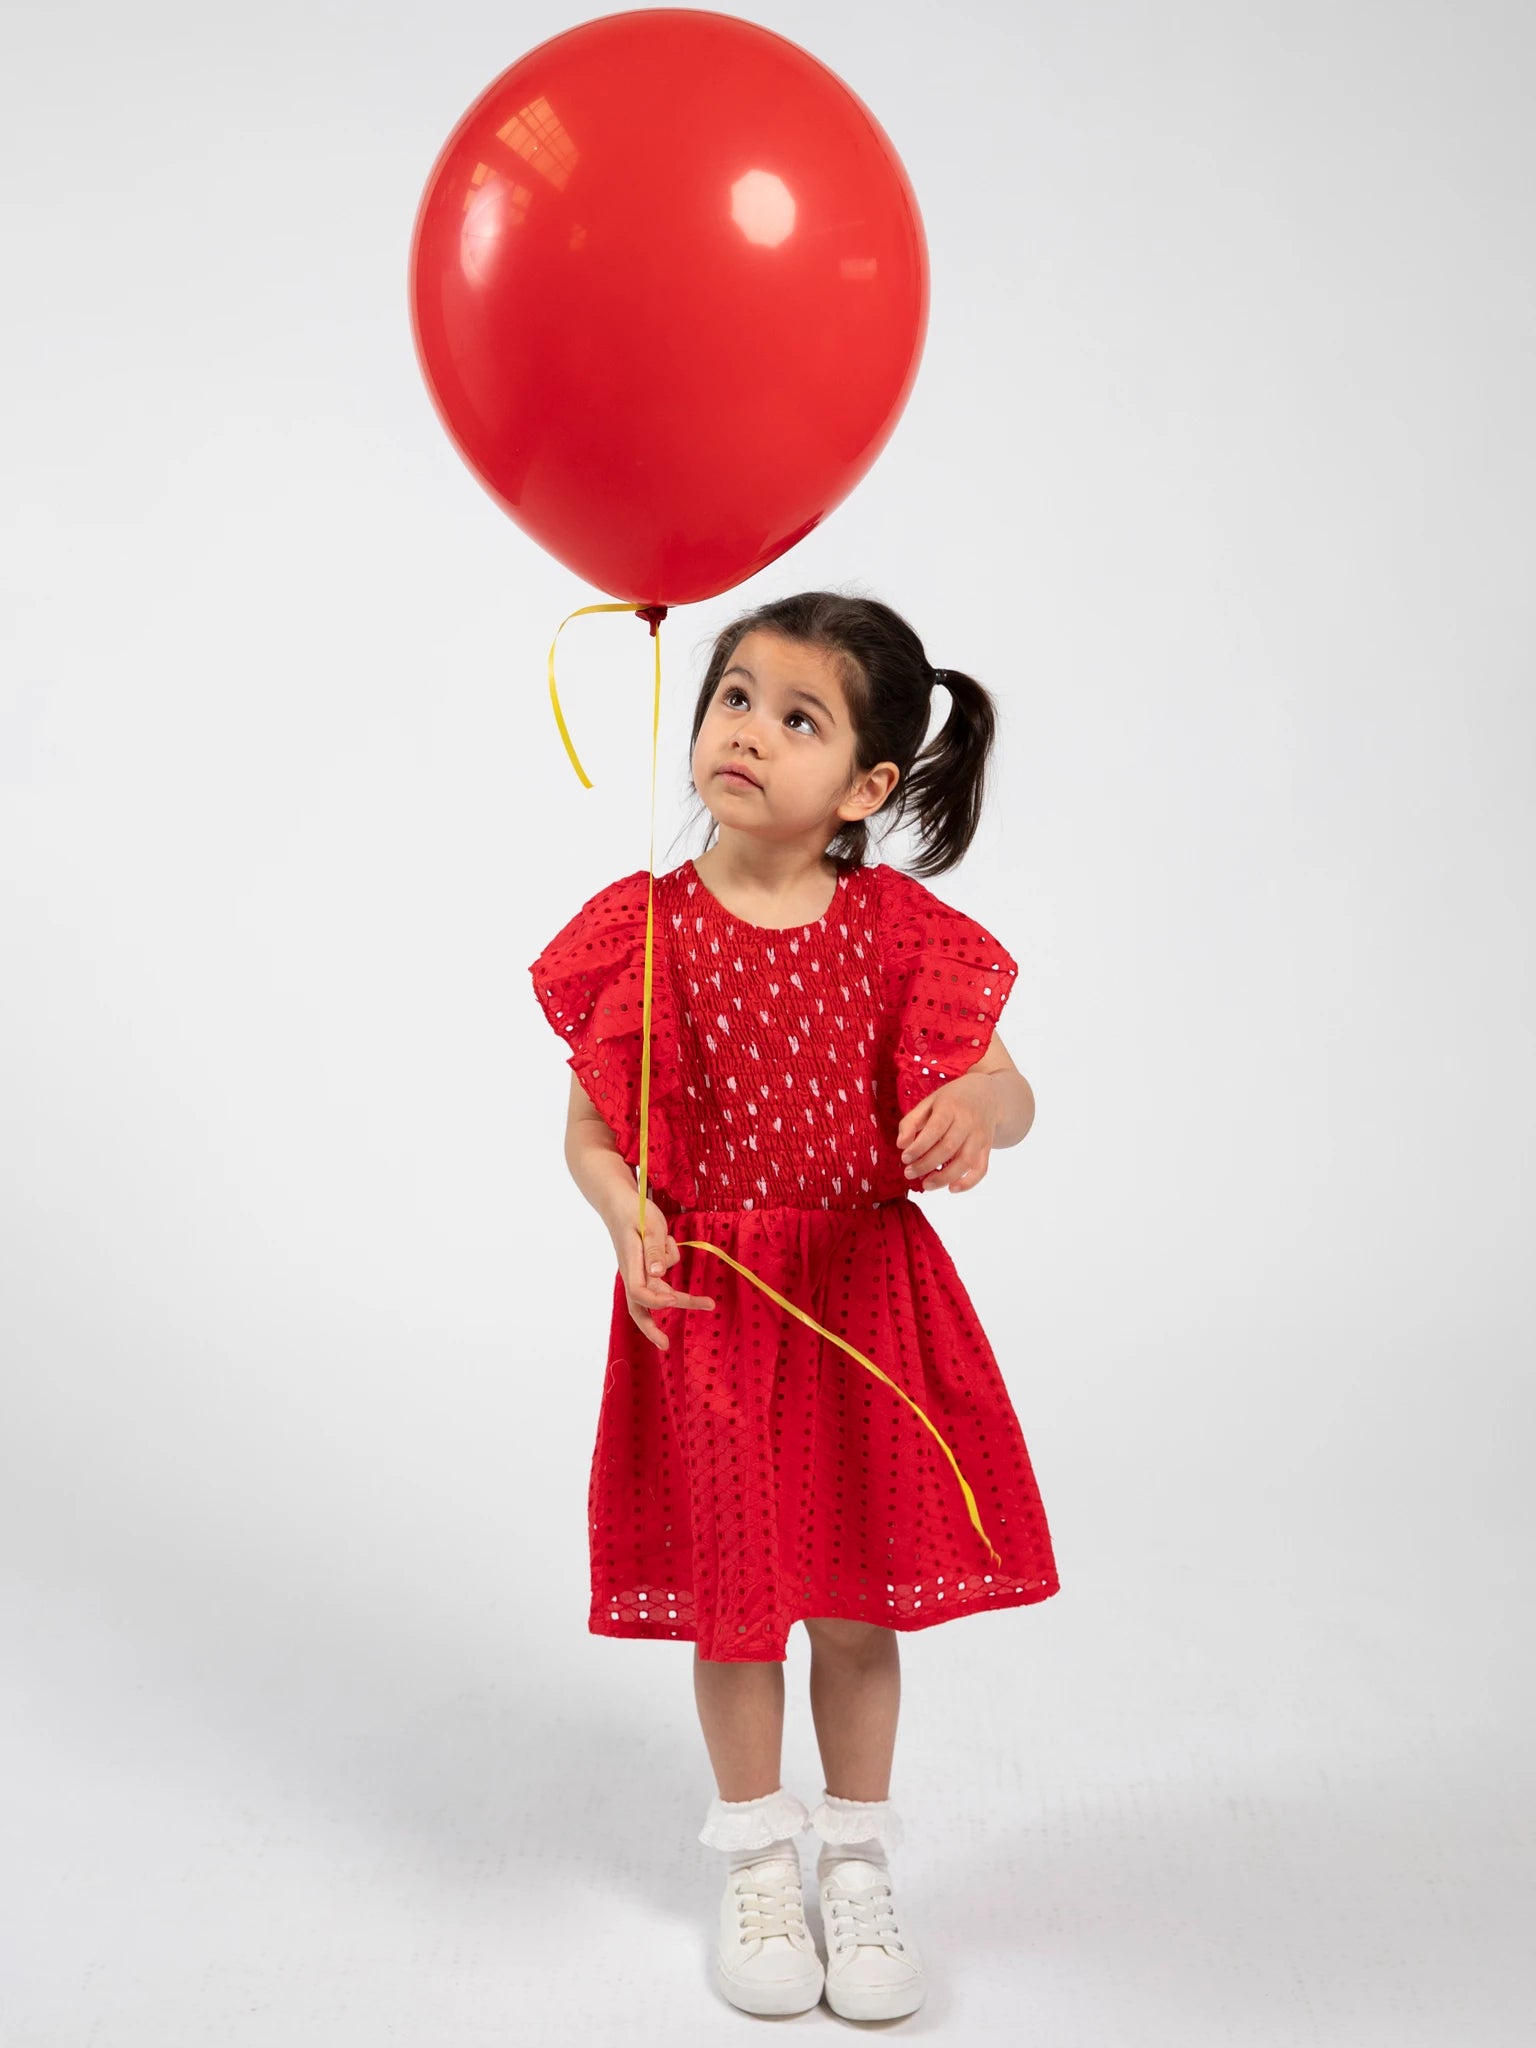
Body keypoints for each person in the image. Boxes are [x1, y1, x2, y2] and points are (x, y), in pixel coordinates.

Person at [527, 590, 1061, 2020]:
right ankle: (758, 1852)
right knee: (739, 1609)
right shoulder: (640, 934)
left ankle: (859, 1863)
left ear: (868, 787)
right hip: (711, 1322)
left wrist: (976, 1109)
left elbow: (1012, 1088)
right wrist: (626, 1214)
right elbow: (590, 1132)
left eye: (798, 717)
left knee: (857, 1607)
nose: (748, 733)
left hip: (863, 1305)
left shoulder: (898, 935)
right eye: (735, 699)